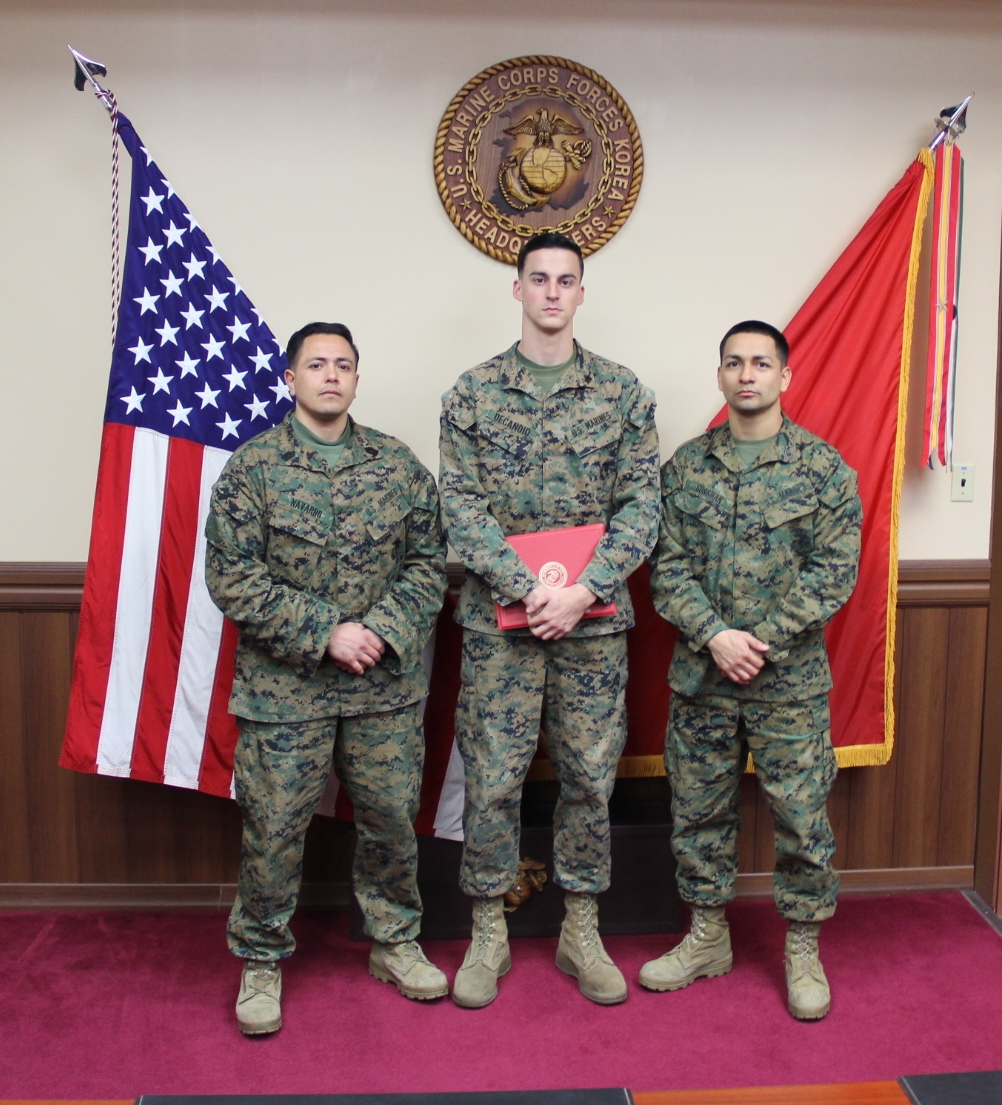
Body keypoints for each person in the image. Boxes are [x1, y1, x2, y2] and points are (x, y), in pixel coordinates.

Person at [205, 321, 449, 1035]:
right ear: (291, 378)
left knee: (390, 822)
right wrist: (324, 632)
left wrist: (378, 630)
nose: (331, 375)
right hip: (287, 691)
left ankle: (396, 941)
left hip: (383, 687)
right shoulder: (252, 468)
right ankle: (260, 957)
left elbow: (428, 564)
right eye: (317, 364)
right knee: (274, 828)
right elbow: (231, 575)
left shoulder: (397, 465)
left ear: (356, 378)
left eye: (343, 364)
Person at [439, 231, 660, 1008]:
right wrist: (524, 588)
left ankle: (580, 926)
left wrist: (583, 590)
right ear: (518, 289)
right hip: (501, 627)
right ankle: (488, 931)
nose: (553, 292)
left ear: (581, 293)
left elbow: (642, 507)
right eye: (540, 278)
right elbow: (458, 506)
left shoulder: (623, 393)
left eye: (567, 280)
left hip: (591, 629)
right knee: (493, 779)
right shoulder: (471, 393)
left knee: (590, 780)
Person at [641, 320, 862, 1020]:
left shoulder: (824, 469)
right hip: (704, 681)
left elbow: (836, 571)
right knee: (698, 814)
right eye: (734, 362)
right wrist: (715, 635)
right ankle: (707, 935)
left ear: (784, 377)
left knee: (801, 819)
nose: (747, 374)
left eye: (761, 363)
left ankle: (803, 946)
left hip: (788, 684)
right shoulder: (684, 470)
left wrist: (758, 638)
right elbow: (666, 568)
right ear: (720, 375)